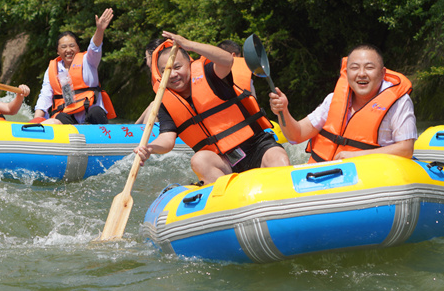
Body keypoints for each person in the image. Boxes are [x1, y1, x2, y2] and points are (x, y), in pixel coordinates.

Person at [133, 32, 289, 184]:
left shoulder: (210, 75)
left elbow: (227, 60)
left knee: (278, 157)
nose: (173, 74)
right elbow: (167, 139)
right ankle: (227, 199)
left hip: (257, 146)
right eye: (165, 71)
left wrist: (190, 45)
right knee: (199, 160)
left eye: (177, 67)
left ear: (189, 64)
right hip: (223, 161)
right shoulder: (165, 103)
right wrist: (149, 148)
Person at [269, 44, 417, 162]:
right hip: (326, 178)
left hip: (369, 180)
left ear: (383, 73)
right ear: (347, 73)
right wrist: (283, 111)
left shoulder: (399, 102)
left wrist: (356, 157)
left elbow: (406, 149)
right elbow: (297, 136)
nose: (361, 73)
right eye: (354, 68)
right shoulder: (333, 99)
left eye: (369, 67)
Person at [34, 8, 117, 125]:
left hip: (90, 115)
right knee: (61, 116)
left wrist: (99, 30)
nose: (68, 50)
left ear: (78, 48)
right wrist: (37, 119)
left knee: (96, 111)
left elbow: (94, 48)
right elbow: (45, 95)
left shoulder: (88, 60)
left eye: (72, 46)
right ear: (58, 51)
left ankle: (104, 138)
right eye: (63, 47)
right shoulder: (54, 68)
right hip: (68, 118)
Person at [135, 37, 165, 125]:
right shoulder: (160, 73)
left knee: (154, 106)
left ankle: (145, 136)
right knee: (153, 104)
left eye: (146, 57)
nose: (146, 62)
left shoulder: (166, 74)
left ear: (153, 57)